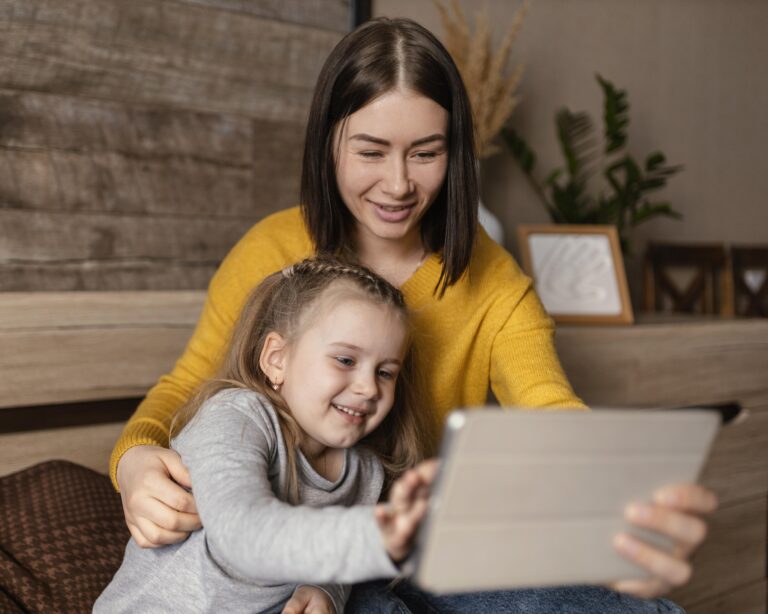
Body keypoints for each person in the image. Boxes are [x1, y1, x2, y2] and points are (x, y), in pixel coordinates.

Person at [111, 16, 717, 613]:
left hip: (415, 549)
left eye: (425, 153)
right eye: (371, 151)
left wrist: (624, 497)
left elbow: (553, 413)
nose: (398, 185)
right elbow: (189, 391)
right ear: (329, 144)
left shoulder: (494, 283)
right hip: (328, 552)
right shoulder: (268, 255)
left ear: (455, 154)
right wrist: (134, 461)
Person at [96, 257, 439, 613]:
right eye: (346, 361)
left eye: (385, 372)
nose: (369, 388)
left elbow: (336, 567)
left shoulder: (366, 471)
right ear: (277, 359)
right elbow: (244, 535)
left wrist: (324, 591)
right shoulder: (238, 417)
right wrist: (376, 534)